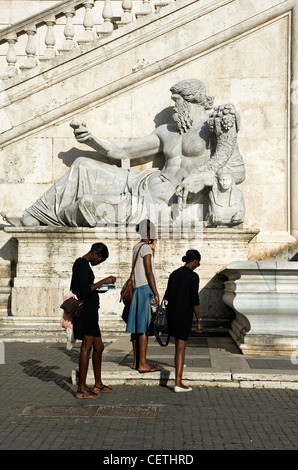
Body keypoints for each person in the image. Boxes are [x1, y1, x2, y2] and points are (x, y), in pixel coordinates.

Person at [3, 80, 245, 228]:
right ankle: (35, 214)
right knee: (82, 164)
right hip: (142, 182)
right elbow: (125, 151)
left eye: (177, 101)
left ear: (191, 101)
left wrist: (205, 178)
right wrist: (92, 139)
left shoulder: (215, 130)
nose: (174, 107)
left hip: (158, 202)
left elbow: (236, 171)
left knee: (87, 205)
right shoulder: (167, 131)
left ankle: (52, 218)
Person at [70, 242, 116, 399]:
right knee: (86, 347)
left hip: (91, 310)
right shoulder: (82, 264)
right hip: (87, 312)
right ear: (95, 253)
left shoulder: (82, 264)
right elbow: (84, 289)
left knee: (99, 347)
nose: (99, 263)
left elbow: (86, 287)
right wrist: (104, 281)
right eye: (100, 260)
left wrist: (101, 288)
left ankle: (98, 383)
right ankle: (81, 389)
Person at [164, 249, 203, 392]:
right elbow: (194, 299)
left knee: (178, 347)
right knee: (181, 347)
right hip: (184, 313)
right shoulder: (193, 277)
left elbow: (167, 295)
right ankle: (178, 383)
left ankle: (179, 371)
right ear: (194, 261)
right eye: (198, 263)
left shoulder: (174, 274)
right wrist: (199, 319)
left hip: (171, 313)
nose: (197, 266)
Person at [125, 219, 160, 373]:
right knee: (143, 328)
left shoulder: (137, 247)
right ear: (148, 232)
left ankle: (135, 362)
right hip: (145, 289)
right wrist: (156, 292)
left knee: (136, 328)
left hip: (136, 290)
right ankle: (143, 363)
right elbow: (148, 272)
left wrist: (152, 248)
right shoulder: (145, 248)